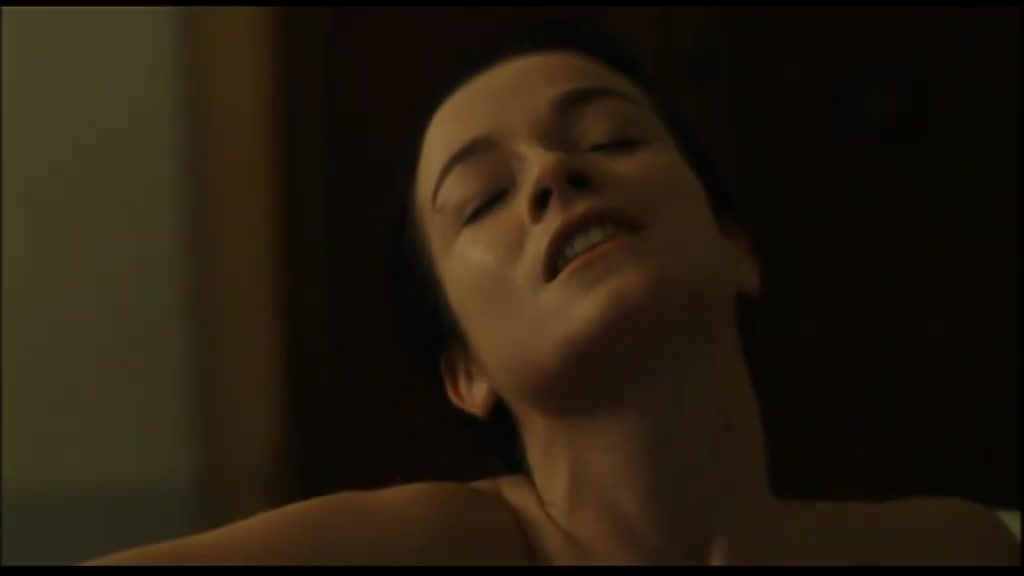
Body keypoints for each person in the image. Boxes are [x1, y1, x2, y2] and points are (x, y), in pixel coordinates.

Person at [86, 19, 1019, 566]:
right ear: (465, 370)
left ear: (735, 245)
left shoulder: (952, 549)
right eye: (483, 198)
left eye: (612, 139)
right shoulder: (425, 549)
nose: (553, 175)